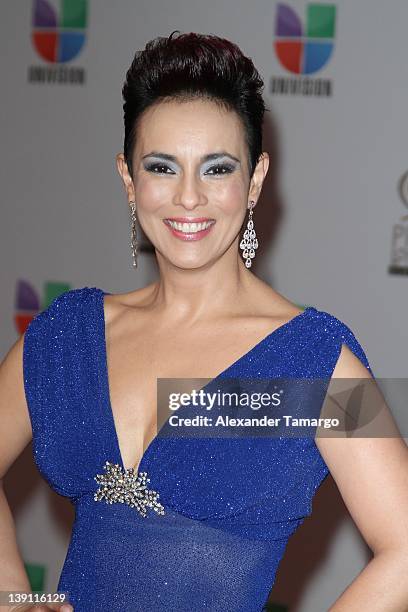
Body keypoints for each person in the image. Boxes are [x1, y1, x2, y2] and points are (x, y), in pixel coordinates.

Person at [1, 30, 408, 612]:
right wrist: (12, 593)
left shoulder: (314, 362)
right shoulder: (67, 338)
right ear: (127, 178)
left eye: (217, 169)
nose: (188, 198)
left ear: (256, 180)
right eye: (162, 167)